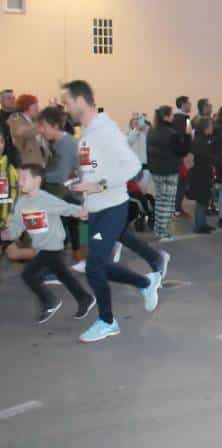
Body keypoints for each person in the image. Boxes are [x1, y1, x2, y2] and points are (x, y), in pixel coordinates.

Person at [61, 80, 163, 343]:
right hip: (96, 208)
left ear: (81, 100)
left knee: (94, 266)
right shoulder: (87, 134)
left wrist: (100, 184)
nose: (65, 107)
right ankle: (145, 283)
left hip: (112, 207)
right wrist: (83, 192)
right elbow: (93, 168)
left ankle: (107, 321)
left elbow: (131, 166)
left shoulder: (105, 130)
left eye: (67, 101)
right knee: (99, 265)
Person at [1, 164, 95, 323]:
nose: (20, 182)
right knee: (64, 275)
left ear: (37, 180)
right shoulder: (21, 204)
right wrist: (6, 234)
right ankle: (84, 298)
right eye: (19, 179)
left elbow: (66, 208)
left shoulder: (45, 199)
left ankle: (50, 301)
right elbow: (17, 227)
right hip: (40, 247)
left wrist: (82, 212)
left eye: (24, 178)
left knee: (28, 275)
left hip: (51, 246)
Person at [37, 106, 82, 260]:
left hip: (70, 192)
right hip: (66, 192)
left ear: (55, 126)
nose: (41, 130)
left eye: (43, 127)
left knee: (55, 230)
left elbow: (60, 175)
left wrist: (36, 176)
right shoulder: (57, 141)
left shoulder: (65, 144)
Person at [147, 105, 190, 242]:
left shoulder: (151, 131)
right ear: (166, 116)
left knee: (160, 201)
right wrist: (188, 136)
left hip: (155, 170)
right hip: (169, 171)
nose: (173, 117)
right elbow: (183, 151)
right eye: (171, 115)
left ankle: (158, 229)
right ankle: (163, 233)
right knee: (166, 203)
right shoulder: (172, 133)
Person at [189, 117, 216, 234]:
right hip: (200, 174)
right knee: (201, 200)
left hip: (204, 172)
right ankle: (199, 225)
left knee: (205, 199)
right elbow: (206, 156)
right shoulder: (200, 141)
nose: (212, 128)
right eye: (210, 126)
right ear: (204, 128)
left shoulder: (203, 139)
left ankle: (203, 223)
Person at [8, 94, 48, 167]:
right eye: (34, 105)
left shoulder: (35, 120)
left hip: (42, 158)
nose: (37, 107)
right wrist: (40, 127)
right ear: (25, 106)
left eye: (37, 104)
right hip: (28, 160)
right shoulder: (15, 118)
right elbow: (22, 132)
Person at [172, 96, 193, 218]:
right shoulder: (184, 118)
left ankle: (177, 207)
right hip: (182, 155)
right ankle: (177, 208)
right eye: (188, 103)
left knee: (182, 182)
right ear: (183, 104)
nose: (190, 105)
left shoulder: (177, 118)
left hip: (180, 155)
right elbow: (187, 135)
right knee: (182, 182)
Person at [0, 131, 19, 246]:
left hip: (4, 225)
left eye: (1, 141)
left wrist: (9, 219)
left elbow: (14, 195)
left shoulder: (9, 169)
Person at [0, 89, 18, 166]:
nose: (12, 100)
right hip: (4, 158)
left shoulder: (21, 116)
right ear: (1, 101)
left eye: (13, 98)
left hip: (20, 159)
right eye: (9, 98)